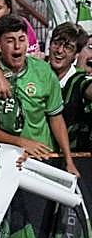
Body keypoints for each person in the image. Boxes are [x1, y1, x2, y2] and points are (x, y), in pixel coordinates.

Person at [0, 15, 77, 174]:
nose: (17, 46)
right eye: (10, 41)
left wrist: (68, 160)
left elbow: (56, 118)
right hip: (9, 162)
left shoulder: (44, 72)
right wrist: (21, 143)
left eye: (22, 39)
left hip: (44, 157)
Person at [48, 22, 92, 151]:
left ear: (75, 55)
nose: (60, 50)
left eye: (68, 47)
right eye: (56, 43)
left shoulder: (79, 80)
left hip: (71, 159)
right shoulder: (35, 72)